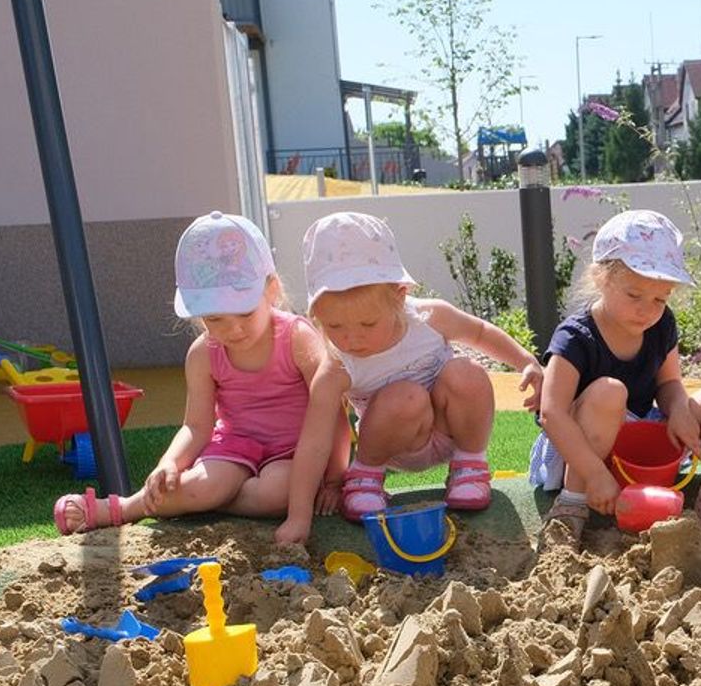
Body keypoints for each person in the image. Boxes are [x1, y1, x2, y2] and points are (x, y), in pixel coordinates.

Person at [55, 212, 339, 535]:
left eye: (245, 312)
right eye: (215, 319)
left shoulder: (297, 338)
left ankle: (204, 500)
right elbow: (196, 426)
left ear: (271, 290)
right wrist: (169, 463)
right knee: (199, 484)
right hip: (234, 447)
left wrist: (335, 478)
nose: (233, 329)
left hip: (294, 451)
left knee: (278, 493)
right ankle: (120, 508)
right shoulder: (204, 354)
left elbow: (333, 411)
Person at [276, 212, 542, 545]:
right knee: (406, 396)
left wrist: (525, 361)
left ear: (399, 296)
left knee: (467, 372)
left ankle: (470, 466)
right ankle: (366, 478)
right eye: (334, 327)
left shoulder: (429, 318)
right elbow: (314, 441)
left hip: (450, 429)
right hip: (393, 444)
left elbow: (479, 331)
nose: (352, 340)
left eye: (368, 324)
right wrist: (298, 517)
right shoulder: (337, 366)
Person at [531, 210, 701, 546]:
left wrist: (680, 407)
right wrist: (594, 473)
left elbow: (668, 384)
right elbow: (551, 413)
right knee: (610, 392)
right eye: (634, 295)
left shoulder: (660, 324)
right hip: (579, 453)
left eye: (659, 299)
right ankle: (571, 507)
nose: (647, 310)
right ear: (601, 278)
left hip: (637, 438)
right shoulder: (575, 337)